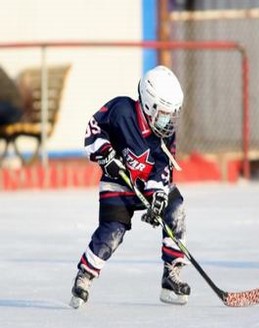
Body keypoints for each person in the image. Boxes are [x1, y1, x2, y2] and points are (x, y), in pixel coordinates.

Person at [70, 65, 190, 308]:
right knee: (112, 232)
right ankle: (85, 275)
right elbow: (93, 129)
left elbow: (162, 168)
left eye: (171, 114)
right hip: (118, 181)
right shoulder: (122, 110)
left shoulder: (165, 135)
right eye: (164, 114)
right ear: (148, 105)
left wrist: (157, 197)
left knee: (175, 208)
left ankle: (171, 275)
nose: (168, 122)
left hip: (146, 185)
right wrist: (105, 154)